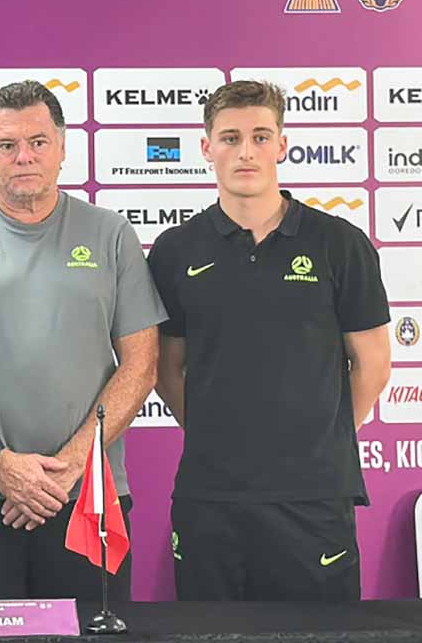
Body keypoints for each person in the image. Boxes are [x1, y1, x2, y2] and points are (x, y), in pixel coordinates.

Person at [0, 80, 166, 600]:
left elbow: (141, 365)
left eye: (38, 142)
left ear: (62, 149)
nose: (24, 157)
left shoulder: (111, 234)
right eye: (6, 145)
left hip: (87, 495)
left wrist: (68, 470)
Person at [147, 80, 392, 601]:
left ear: (282, 145)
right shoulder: (174, 250)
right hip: (210, 496)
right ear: (206, 148)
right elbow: (167, 369)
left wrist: (319, 434)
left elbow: (371, 364)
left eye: (260, 137)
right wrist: (219, 431)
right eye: (230, 138)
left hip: (315, 497)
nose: (246, 152)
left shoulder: (339, 244)